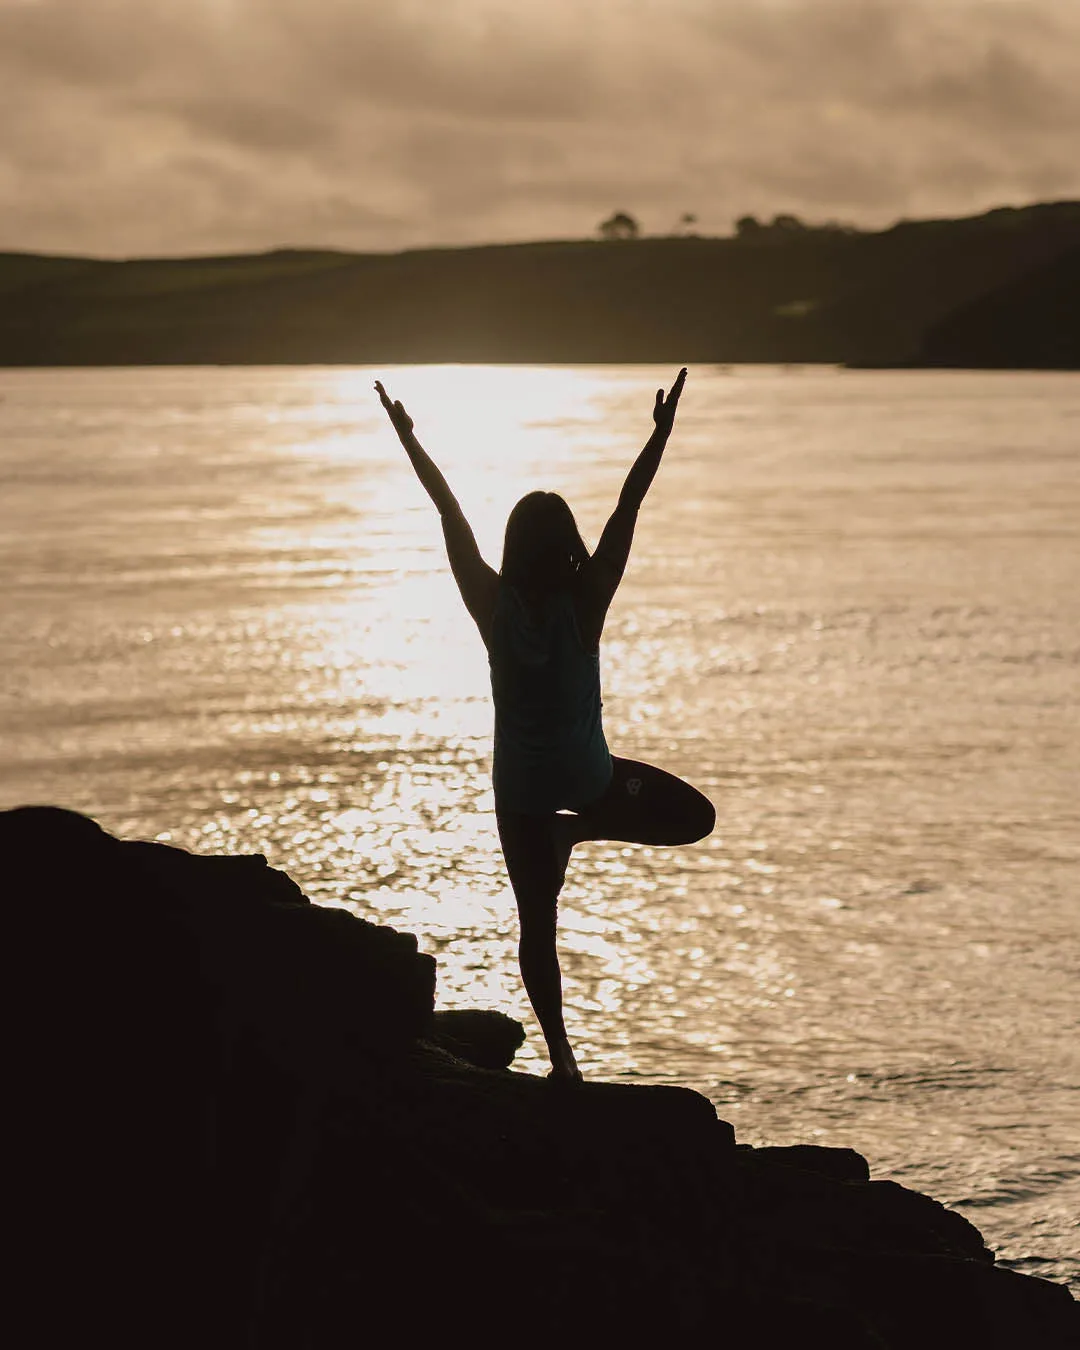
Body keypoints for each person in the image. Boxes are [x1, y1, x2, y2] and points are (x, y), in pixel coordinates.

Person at [376, 370, 715, 1080]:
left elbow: (450, 515)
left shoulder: (489, 605)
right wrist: (660, 436)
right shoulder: (587, 600)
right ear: (566, 543)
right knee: (694, 816)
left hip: (523, 792)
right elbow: (628, 508)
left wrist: (408, 439)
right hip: (588, 779)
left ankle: (564, 1061)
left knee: (538, 925)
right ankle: (581, 828)